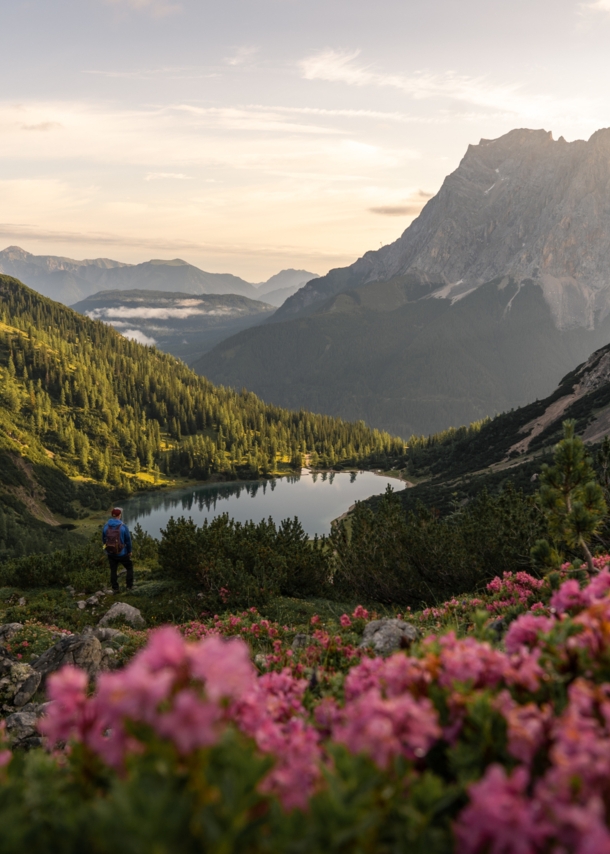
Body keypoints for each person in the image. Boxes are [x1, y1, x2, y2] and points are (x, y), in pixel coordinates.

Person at [102, 507, 134, 593]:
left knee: (113, 570)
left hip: (111, 553)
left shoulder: (106, 526)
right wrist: (129, 551)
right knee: (129, 567)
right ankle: (129, 586)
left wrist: (106, 550)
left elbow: (104, 540)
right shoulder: (123, 527)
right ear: (120, 515)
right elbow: (128, 541)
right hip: (122, 553)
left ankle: (115, 588)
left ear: (112, 515)